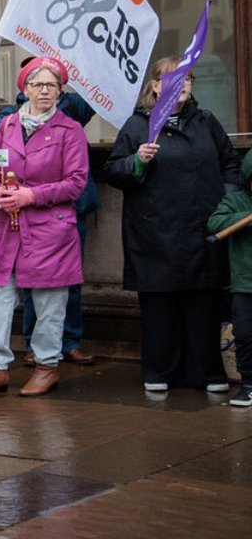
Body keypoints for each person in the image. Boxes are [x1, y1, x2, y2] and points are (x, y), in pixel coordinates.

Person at [104, 57, 240, 393]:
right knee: (160, 309)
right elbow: (112, 171)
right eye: (172, 79)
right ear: (155, 85)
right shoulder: (137, 125)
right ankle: (159, 372)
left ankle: (207, 374)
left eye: (187, 79)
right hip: (154, 235)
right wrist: (136, 160)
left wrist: (225, 202)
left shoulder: (206, 122)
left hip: (202, 231)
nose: (181, 85)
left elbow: (230, 164)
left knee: (202, 307)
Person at [0, 57, 88, 397]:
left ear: (61, 91)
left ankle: (46, 367)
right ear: (25, 90)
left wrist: (31, 195)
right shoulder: (7, 125)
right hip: (8, 227)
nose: (45, 91)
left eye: (52, 85)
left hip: (51, 229)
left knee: (50, 301)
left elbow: (76, 182)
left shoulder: (70, 130)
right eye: (38, 85)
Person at [207, 149, 252, 408]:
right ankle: (248, 385)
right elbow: (216, 223)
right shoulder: (236, 201)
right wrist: (245, 220)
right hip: (245, 284)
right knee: (245, 334)